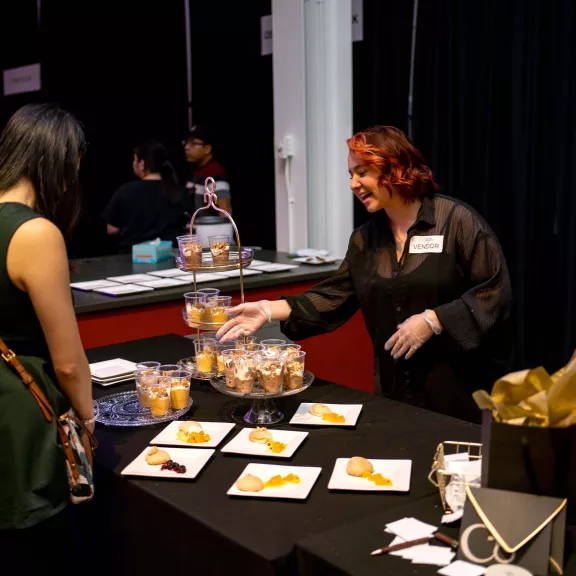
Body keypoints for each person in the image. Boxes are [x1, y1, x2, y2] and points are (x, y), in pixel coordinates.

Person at [218, 126, 513, 422]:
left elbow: (495, 292)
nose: (353, 184)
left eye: (362, 172)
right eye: (351, 175)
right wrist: (268, 310)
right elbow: (334, 296)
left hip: (456, 390)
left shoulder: (456, 221)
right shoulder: (365, 238)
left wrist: (433, 320)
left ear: (394, 168)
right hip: (395, 388)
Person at [0, 104, 94, 557]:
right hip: (23, 419)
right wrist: (90, 422)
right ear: (56, 160)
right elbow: (69, 362)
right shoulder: (35, 233)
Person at [103, 139, 191, 251]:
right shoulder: (180, 192)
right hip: (169, 256)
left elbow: (112, 230)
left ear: (142, 164)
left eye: (134, 160)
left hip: (131, 258)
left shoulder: (125, 191)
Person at [184, 125, 231, 215]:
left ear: (207, 149)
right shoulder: (197, 172)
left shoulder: (215, 173)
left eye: (193, 144)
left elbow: (225, 211)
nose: (187, 147)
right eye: (186, 143)